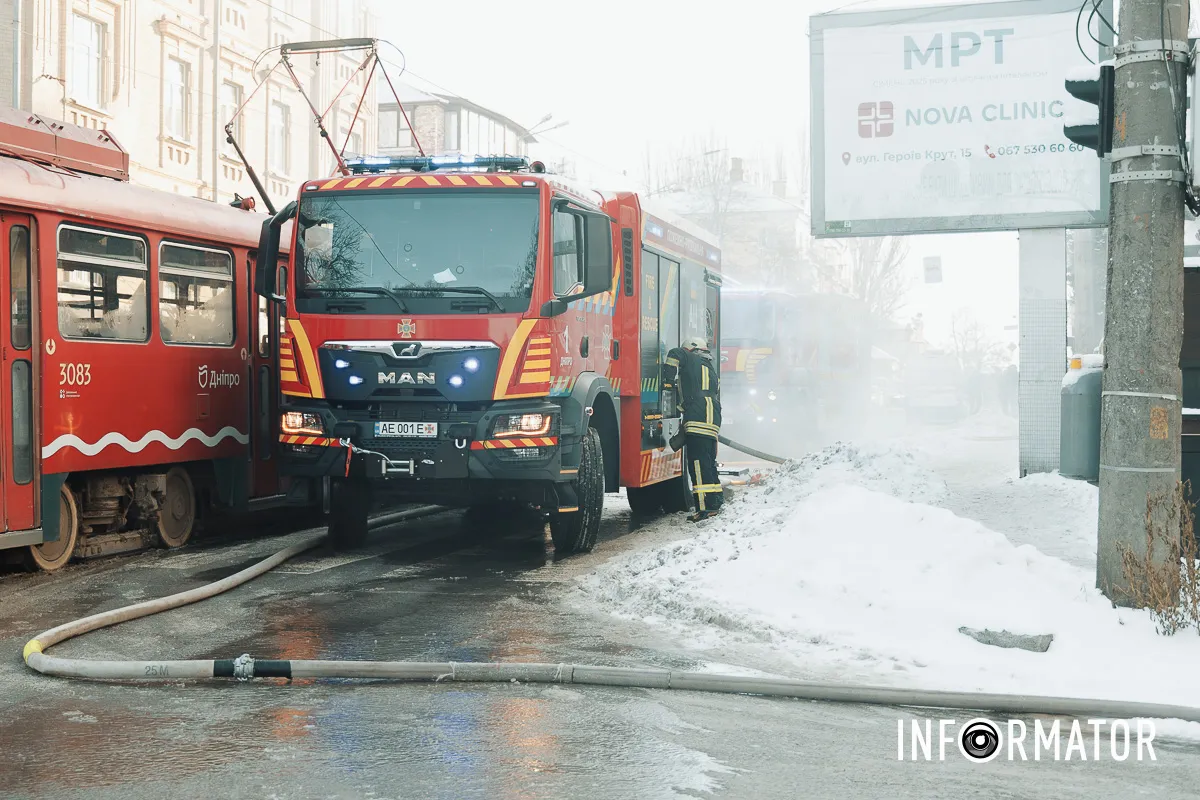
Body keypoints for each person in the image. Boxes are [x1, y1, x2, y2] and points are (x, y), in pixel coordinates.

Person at [663, 336, 724, 522]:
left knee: (698, 464)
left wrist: (667, 378)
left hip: (698, 416)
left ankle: (705, 509)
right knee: (708, 462)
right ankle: (715, 502)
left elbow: (675, 353)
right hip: (712, 417)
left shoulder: (690, 357)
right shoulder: (710, 369)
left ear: (691, 348)